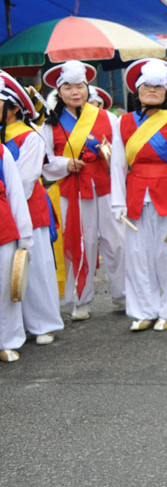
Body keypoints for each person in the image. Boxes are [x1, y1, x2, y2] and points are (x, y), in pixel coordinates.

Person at [110, 59, 167, 332]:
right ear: (137, 90)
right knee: (138, 256)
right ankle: (143, 311)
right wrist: (117, 201)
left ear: (165, 92)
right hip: (135, 196)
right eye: (147, 85)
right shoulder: (123, 123)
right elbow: (117, 165)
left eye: (158, 87)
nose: (152, 90)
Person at [41, 61, 126, 320]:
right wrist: (65, 164)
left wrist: (106, 153)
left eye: (80, 86)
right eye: (68, 87)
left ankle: (122, 294)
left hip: (106, 188)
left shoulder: (108, 118)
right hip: (74, 190)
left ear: (87, 88)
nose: (75, 92)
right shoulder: (51, 124)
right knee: (80, 243)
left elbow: (121, 155)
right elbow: (44, 161)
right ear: (59, 91)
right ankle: (81, 299)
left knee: (116, 241)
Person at [1, 73, 63, 347]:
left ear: (14, 107)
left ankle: (44, 323)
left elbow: (25, 180)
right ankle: (18, 325)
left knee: (35, 267)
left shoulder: (30, 136)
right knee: (8, 271)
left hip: (28, 206)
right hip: (6, 210)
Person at [0, 106, 32, 363]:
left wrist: (24, 235)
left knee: (4, 287)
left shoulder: (2, 152)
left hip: (2, 227)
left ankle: (7, 341)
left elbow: (16, 194)